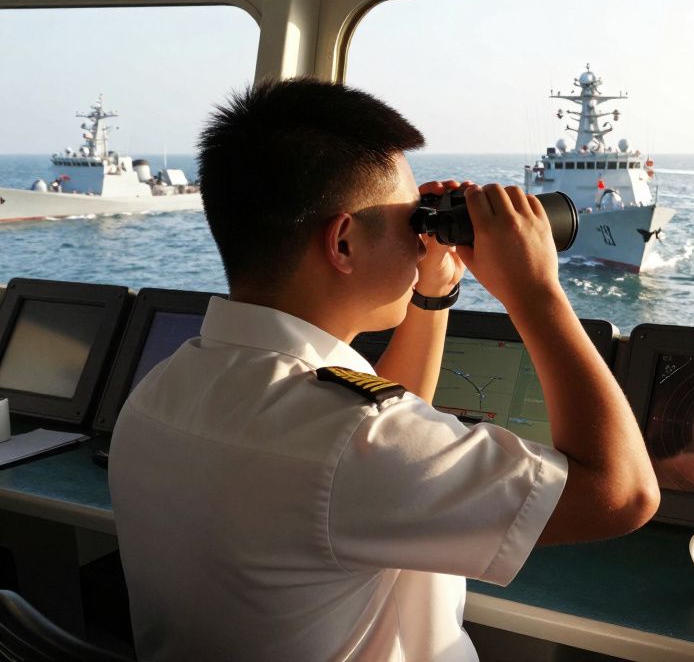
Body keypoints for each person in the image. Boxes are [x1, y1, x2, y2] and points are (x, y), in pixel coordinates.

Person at [109, 78, 660, 661]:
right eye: (410, 224)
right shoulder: (350, 445)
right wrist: (534, 290)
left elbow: (383, 419)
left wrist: (435, 291)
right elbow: (621, 495)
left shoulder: (160, 390)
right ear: (342, 243)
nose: (420, 241)